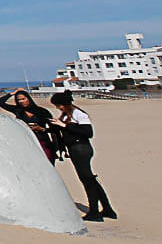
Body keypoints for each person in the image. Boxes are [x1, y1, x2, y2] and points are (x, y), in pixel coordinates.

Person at [49, 91, 116, 221]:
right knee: (90, 179)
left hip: (81, 149)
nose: (58, 108)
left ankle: (94, 213)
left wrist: (64, 125)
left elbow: (88, 133)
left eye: (58, 105)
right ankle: (107, 210)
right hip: (75, 149)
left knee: (87, 180)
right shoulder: (67, 114)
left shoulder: (79, 114)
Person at [0, 88, 57, 163]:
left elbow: (54, 128)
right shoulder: (18, 110)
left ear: (28, 98)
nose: (21, 101)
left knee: (48, 162)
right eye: (19, 100)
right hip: (27, 141)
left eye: (23, 99)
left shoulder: (42, 111)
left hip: (43, 141)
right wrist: (13, 93)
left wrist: (42, 129)